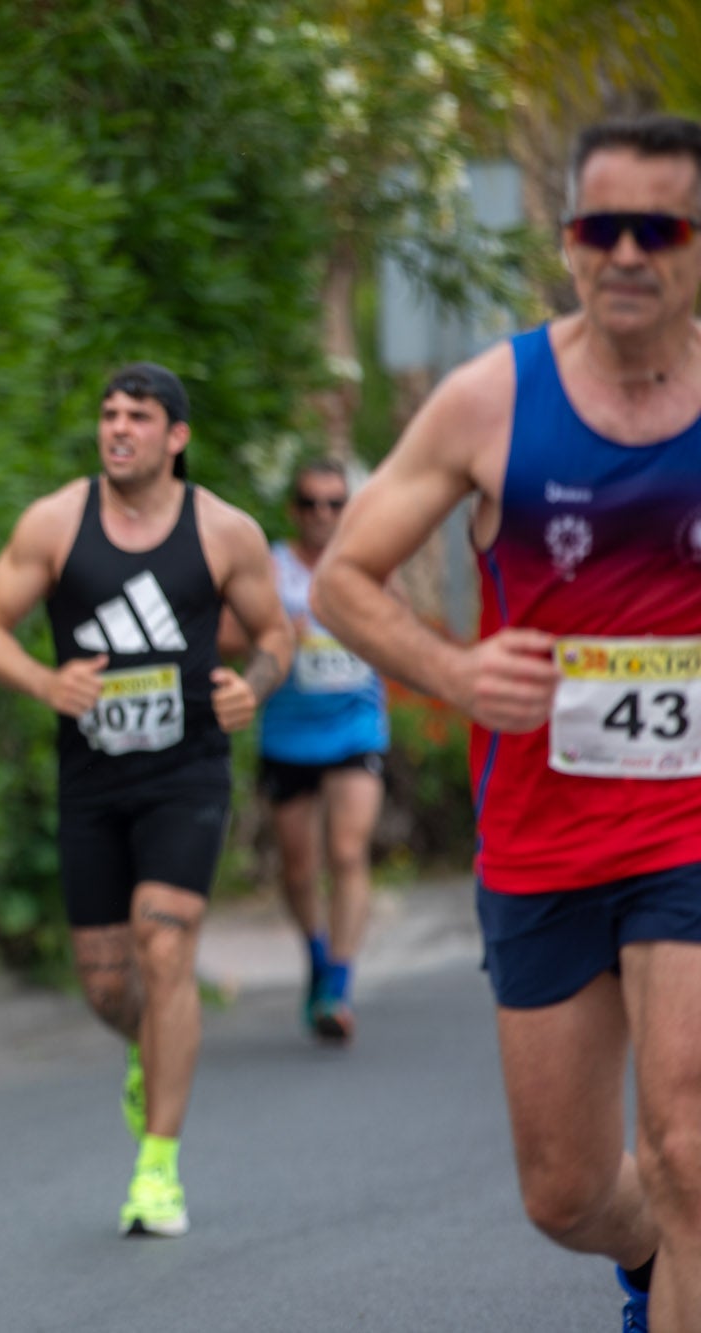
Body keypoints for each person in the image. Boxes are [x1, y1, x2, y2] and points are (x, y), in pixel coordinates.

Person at [310, 114, 701, 1332]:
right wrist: (455, 671)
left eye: (659, 227)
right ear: (566, 239)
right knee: (571, 1191)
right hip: (540, 835)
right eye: (600, 226)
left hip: (688, 827)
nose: (626, 252)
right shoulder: (490, 400)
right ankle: (645, 1266)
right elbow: (340, 580)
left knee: (685, 1149)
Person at [0, 362, 293, 1238]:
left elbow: (275, 634)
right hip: (93, 780)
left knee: (165, 938)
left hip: (187, 772)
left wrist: (252, 688)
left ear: (175, 436)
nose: (118, 429)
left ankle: (159, 1167)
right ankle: (152, 1053)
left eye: (138, 417)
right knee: (109, 985)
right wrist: (44, 680)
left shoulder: (224, 531)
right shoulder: (56, 521)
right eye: (109, 413)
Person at [250, 459, 388, 1043]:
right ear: (294, 510)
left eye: (335, 503)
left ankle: (339, 980)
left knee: (348, 852)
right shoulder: (271, 568)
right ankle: (314, 950)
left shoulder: (369, 560)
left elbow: (399, 624)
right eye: (311, 503)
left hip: (355, 730)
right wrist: (281, 633)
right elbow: (236, 634)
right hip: (287, 735)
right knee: (299, 865)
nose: (322, 514)